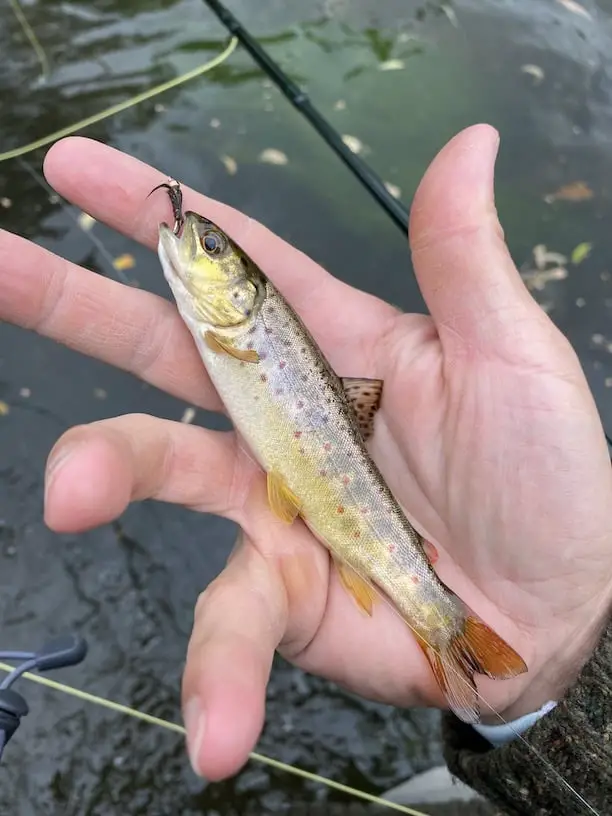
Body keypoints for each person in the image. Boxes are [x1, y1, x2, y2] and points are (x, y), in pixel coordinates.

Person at [0, 124, 610, 815]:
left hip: (354, 503)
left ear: (239, 298)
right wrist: (557, 674)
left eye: (212, 248)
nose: (198, 240)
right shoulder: (232, 329)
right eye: (211, 246)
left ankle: (449, 628)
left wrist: (565, 651)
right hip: (329, 474)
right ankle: (476, 650)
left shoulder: (243, 331)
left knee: (388, 572)